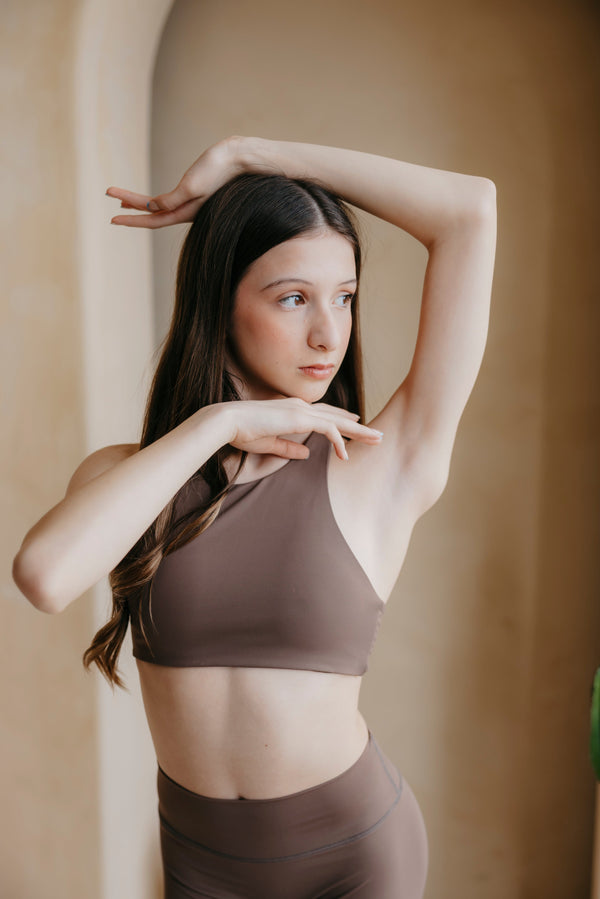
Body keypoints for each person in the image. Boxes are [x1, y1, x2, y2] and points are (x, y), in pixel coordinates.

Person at [13, 134, 497, 898]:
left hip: (357, 857)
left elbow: (471, 212)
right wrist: (211, 426)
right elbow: (42, 576)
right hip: (200, 865)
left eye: (345, 296)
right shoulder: (127, 477)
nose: (328, 334)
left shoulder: (378, 463)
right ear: (220, 299)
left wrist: (249, 152)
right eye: (293, 297)